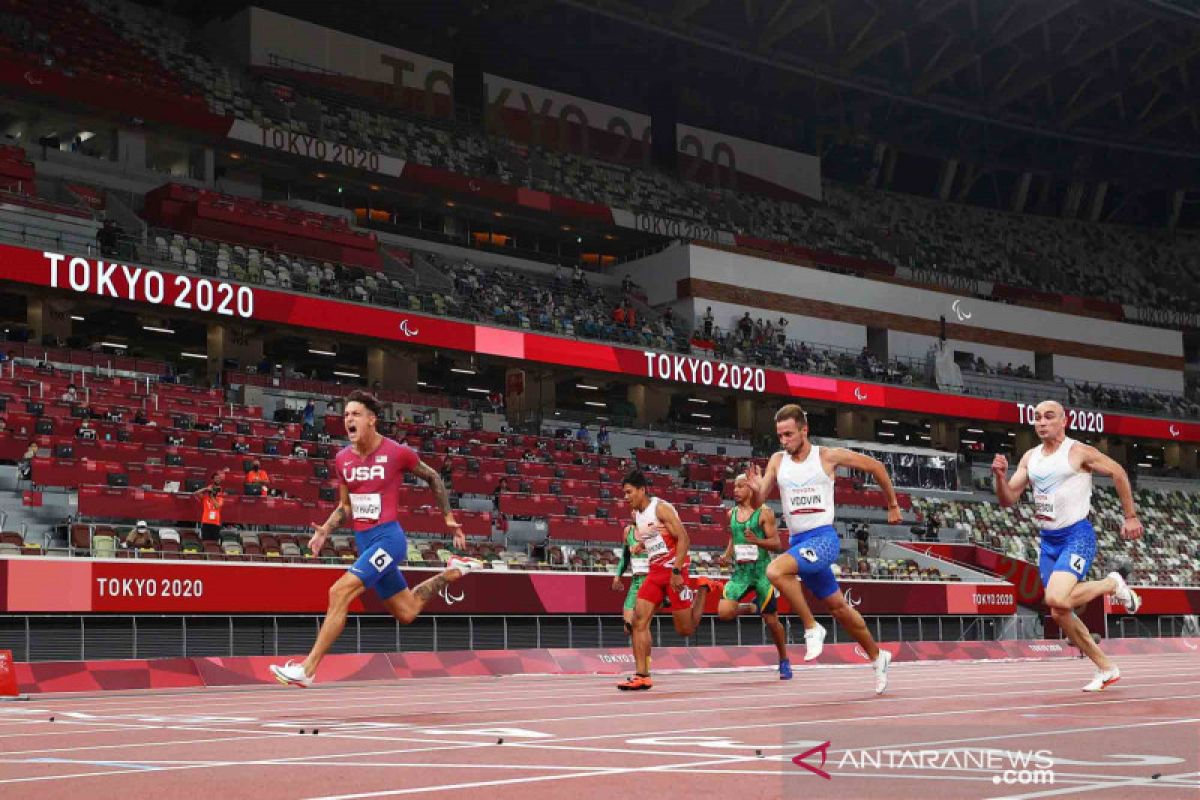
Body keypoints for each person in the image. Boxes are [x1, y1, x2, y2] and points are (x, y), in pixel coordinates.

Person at [271, 390, 482, 688]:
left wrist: (447, 517)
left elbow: (433, 477)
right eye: (346, 415)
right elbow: (346, 507)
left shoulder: (397, 452)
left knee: (338, 593)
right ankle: (455, 570)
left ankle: (307, 669)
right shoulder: (342, 459)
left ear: (372, 419)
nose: (349, 420)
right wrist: (325, 532)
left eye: (355, 414)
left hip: (389, 540)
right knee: (406, 611)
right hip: (365, 543)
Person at [745, 404, 902, 695]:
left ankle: (811, 627)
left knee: (775, 570)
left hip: (824, 539)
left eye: (789, 434)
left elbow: (876, 467)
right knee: (839, 608)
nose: (784, 440)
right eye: (780, 435)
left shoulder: (827, 456)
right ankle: (878, 656)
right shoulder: (778, 461)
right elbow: (758, 503)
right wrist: (756, 490)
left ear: (805, 430)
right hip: (799, 542)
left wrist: (892, 504)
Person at [991, 400, 1142, 692]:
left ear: (1064, 420)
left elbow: (1118, 472)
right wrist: (999, 477)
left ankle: (1112, 584)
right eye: (1037, 418)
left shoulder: (1078, 452)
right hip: (1049, 541)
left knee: (1056, 599)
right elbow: (1007, 499)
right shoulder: (1030, 458)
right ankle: (1107, 668)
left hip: (1077, 536)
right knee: (1060, 611)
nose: (1041, 422)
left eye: (1049, 417)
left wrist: (1130, 516)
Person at [617, 470, 715, 691]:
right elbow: (654, 535)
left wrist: (677, 571)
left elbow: (684, 538)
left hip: (674, 569)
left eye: (629, 492)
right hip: (655, 571)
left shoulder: (661, 508)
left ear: (642, 490)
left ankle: (702, 590)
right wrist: (640, 545)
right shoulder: (638, 514)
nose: (626, 497)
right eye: (624, 493)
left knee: (685, 630)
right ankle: (642, 675)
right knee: (637, 621)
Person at [717, 475, 823, 680]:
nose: (735, 490)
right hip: (741, 573)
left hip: (762, 573)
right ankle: (751, 607)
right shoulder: (731, 513)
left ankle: (784, 660)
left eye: (740, 486)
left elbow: (777, 544)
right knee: (724, 612)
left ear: (750, 489)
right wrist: (726, 556)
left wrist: (756, 540)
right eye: (734, 487)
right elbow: (733, 537)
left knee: (772, 622)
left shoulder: (764, 513)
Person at [195, 471, 226, 542]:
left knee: (214, 543)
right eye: (213, 489)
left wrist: (212, 497)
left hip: (215, 523)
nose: (214, 491)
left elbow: (217, 506)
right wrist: (206, 489)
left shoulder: (220, 498)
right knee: (205, 542)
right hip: (206, 522)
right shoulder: (205, 497)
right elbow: (196, 493)